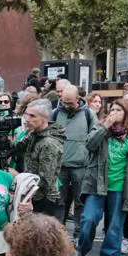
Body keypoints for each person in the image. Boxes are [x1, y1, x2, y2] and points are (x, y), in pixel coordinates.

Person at [75, 98, 128, 256]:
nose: (114, 113)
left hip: (121, 186)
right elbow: (90, 145)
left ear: (127, 114)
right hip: (97, 184)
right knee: (89, 219)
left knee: (115, 226)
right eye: (112, 109)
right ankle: (82, 249)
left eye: (118, 110)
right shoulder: (101, 129)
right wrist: (105, 125)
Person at [51, 85, 96, 232]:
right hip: (59, 166)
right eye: (64, 101)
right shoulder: (55, 113)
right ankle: (58, 230)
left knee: (80, 201)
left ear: (78, 99)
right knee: (58, 201)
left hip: (81, 166)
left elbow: (94, 137)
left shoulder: (88, 114)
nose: (66, 105)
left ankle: (79, 231)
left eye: (70, 102)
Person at [14, 101, 64, 216]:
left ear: (44, 118)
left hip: (44, 201)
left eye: (32, 116)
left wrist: (19, 177)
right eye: (26, 114)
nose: (26, 119)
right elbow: (18, 148)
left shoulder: (48, 143)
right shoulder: (35, 134)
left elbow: (45, 181)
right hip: (33, 195)